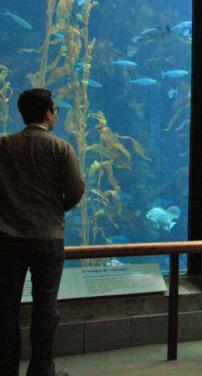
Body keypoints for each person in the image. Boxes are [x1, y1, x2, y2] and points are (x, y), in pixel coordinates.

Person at [0, 89, 85, 376]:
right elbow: (76, 190)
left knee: (6, 308)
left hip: (7, 239)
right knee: (45, 306)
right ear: (48, 113)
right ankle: (41, 369)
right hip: (47, 238)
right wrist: (55, 210)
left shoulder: (4, 145)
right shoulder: (60, 148)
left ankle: (6, 368)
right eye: (55, 110)